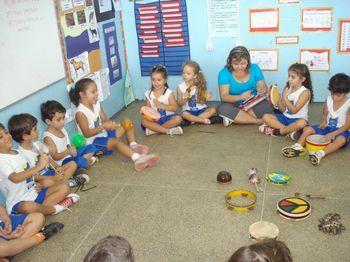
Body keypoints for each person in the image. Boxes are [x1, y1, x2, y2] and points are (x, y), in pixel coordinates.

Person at [69, 78, 159, 172]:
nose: (96, 94)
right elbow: (87, 133)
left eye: (96, 91)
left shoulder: (96, 104)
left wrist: (111, 124)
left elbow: (104, 119)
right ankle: (138, 159)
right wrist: (103, 126)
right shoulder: (80, 113)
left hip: (104, 133)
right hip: (93, 142)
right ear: (82, 95)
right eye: (93, 92)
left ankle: (133, 145)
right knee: (116, 142)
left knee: (127, 122)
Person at [0, 122, 79, 216]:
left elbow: (30, 174)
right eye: (1, 137)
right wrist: (40, 167)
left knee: (64, 187)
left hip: (35, 193)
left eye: (6, 132)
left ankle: (42, 211)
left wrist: (37, 183)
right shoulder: (2, 160)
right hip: (20, 202)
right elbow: (14, 178)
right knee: (28, 207)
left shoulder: (18, 153)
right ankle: (57, 208)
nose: (7, 137)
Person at [282, 73, 350, 165]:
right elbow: (325, 114)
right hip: (328, 127)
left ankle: (320, 154)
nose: (334, 97)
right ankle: (298, 147)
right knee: (308, 129)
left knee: (341, 140)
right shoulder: (329, 99)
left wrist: (332, 134)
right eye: (332, 93)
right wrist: (323, 122)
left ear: (346, 92)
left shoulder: (348, 104)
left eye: (338, 95)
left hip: (341, 131)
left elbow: (346, 126)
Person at [8, 113, 88, 188]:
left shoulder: (38, 144)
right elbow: (34, 176)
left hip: (51, 172)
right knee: (45, 183)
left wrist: (57, 167)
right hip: (43, 178)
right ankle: (66, 183)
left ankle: (63, 182)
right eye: (35, 129)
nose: (38, 131)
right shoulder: (22, 155)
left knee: (72, 164)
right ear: (25, 136)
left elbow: (48, 158)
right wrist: (52, 178)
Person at [218, 46, 274, 127]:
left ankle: (236, 118)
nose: (239, 67)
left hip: (252, 103)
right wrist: (240, 97)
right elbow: (224, 97)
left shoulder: (255, 68)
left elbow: (263, 87)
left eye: (243, 63)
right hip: (232, 104)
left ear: (248, 61)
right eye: (235, 64)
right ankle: (258, 121)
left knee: (268, 106)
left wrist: (263, 90)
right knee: (223, 108)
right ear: (230, 62)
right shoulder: (224, 73)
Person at [0, 195, 63, 260]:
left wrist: (7, 221)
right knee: (2, 249)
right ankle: (40, 236)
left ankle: (12, 248)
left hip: (4, 224)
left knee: (38, 217)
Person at [259, 63, 313, 139]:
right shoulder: (287, 88)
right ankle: (290, 132)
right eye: (289, 76)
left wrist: (285, 97)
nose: (289, 79)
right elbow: (283, 110)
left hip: (298, 120)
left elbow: (294, 110)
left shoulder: (305, 92)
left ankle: (278, 131)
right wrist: (277, 98)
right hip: (285, 118)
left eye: (293, 77)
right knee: (265, 117)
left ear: (302, 79)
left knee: (302, 123)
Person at [41, 100, 98, 170]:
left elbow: (67, 145)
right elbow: (55, 157)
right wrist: (67, 152)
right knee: (79, 161)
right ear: (48, 121)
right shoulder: (48, 138)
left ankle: (81, 164)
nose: (62, 122)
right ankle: (88, 161)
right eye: (58, 120)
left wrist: (72, 148)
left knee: (92, 147)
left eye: (63, 118)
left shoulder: (61, 128)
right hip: (63, 162)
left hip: (70, 155)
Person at [140, 65, 183, 136]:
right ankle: (167, 131)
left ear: (165, 80)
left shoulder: (168, 93)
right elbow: (148, 109)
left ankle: (154, 131)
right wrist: (145, 111)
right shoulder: (148, 93)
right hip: (155, 120)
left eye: (159, 80)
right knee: (143, 121)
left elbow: (175, 108)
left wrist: (161, 106)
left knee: (178, 119)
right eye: (153, 80)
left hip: (167, 118)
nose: (156, 83)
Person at [177, 60, 219, 125]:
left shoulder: (199, 85)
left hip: (201, 109)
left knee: (213, 110)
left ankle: (193, 120)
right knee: (184, 114)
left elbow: (202, 101)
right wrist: (185, 98)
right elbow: (179, 103)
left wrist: (206, 97)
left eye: (188, 73)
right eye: (183, 72)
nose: (185, 75)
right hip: (188, 110)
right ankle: (203, 120)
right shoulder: (180, 87)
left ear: (195, 75)